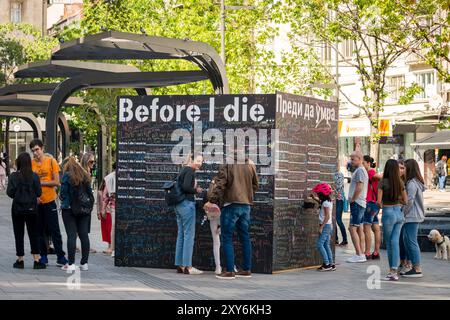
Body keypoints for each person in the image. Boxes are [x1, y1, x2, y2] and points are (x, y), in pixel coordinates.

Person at [205, 151, 259, 280]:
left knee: (226, 237)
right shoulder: (250, 165)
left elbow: (220, 185)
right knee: (245, 237)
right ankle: (246, 269)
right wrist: (247, 196)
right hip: (246, 206)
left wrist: (211, 200)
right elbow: (255, 185)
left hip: (231, 205)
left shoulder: (227, 164)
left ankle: (229, 271)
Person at [29, 139, 68, 267]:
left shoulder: (51, 161)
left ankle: (60, 256)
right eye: (33, 151)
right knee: (39, 230)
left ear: (42, 149)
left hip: (50, 200)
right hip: (38, 202)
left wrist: (40, 183)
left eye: (37, 149)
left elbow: (56, 182)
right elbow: (30, 184)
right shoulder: (31, 164)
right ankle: (43, 256)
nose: (35, 153)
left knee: (54, 229)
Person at [7, 153, 46, 269]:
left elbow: (10, 193)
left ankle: (20, 259)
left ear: (18, 162)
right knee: (33, 233)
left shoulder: (14, 176)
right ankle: (36, 260)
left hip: (17, 209)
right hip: (32, 209)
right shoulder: (34, 176)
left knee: (18, 233)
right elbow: (39, 193)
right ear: (29, 163)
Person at [59, 157, 93, 271]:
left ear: (66, 167)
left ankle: (72, 263)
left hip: (69, 209)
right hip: (84, 210)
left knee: (72, 235)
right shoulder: (85, 175)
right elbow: (90, 194)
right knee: (84, 235)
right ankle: (84, 263)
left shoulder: (66, 176)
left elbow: (63, 194)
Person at [377, 159, 408, 281]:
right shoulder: (400, 182)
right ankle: (395, 270)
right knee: (395, 242)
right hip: (399, 213)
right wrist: (398, 201)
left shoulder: (383, 182)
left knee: (390, 243)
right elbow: (406, 201)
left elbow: (379, 202)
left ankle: (392, 272)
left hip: (388, 213)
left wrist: (382, 203)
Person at [174, 153, 204, 275]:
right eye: (198, 160)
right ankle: (188, 266)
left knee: (181, 234)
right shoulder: (190, 170)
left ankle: (180, 264)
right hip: (187, 204)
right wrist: (196, 190)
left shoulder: (183, 170)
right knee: (189, 236)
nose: (199, 163)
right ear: (191, 159)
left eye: (201, 161)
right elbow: (186, 187)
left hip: (178, 205)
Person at [401, 159, 425, 278]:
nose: (402, 170)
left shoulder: (411, 183)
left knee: (411, 241)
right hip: (413, 215)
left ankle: (417, 268)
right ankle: (413, 266)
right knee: (408, 241)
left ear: (409, 169)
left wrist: (402, 213)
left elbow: (409, 201)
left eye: (404, 168)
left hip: (412, 216)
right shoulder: (415, 182)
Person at [346, 151, 369, 263]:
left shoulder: (360, 170)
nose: (351, 161)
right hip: (359, 203)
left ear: (360, 159)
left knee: (352, 228)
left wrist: (353, 199)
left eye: (353, 159)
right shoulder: (360, 170)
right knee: (358, 228)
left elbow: (359, 187)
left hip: (357, 203)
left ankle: (359, 254)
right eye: (351, 159)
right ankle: (361, 253)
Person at [311, 183, 335, 271]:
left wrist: (321, 227)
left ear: (322, 194)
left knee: (319, 244)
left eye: (318, 194)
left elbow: (327, 216)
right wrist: (314, 198)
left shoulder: (325, 203)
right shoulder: (327, 201)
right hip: (328, 225)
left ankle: (327, 264)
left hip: (326, 226)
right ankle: (331, 264)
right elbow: (320, 202)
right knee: (326, 245)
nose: (317, 195)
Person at [362, 156, 382, 260]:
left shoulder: (370, 172)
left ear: (369, 163)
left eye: (363, 163)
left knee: (367, 228)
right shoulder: (369, 172)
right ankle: (376, 252)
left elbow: (379, 178)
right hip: (375, 204)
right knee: (376, 228)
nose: (362, 165)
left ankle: (367, 252)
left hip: (370, 203)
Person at [80, 153, 97, 253]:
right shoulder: (84, 172)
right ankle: (85, 247)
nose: (93, 163)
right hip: (84, 202)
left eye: (94, 161)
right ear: (85, 161)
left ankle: (75, 244)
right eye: (91, 161)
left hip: (84, 201)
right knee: (84, 226)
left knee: (83, 226)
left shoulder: (87, 171)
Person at [99, 163, 116, 256]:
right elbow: (105, 195)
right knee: (113, 226)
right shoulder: (110, 178)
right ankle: (113, 248)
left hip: (114, 206)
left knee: (114, 226)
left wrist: (103, 209)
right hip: (114, 206)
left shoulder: (109, 177)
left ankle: (113, 248)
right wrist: (103, 209)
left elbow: (105, 196)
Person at [333, 172, 348, 246]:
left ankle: (345, 239)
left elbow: (338, 186)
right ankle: (335, 239)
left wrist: (332, 187)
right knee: (333, 220)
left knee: (338, 220)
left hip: (339, 200)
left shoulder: (339, 174)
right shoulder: (332, 174)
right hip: (334, 199)